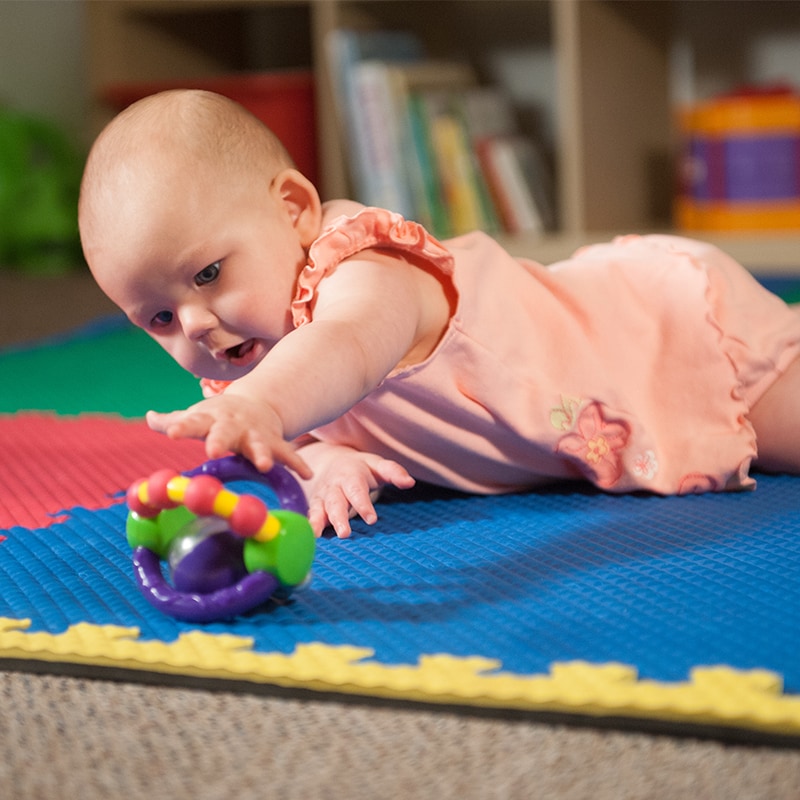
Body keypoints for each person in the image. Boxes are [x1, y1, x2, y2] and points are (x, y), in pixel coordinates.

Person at [78, 89, 800, 538]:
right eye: (158, 320)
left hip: (665, 333)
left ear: (295, 210)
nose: (196, 325)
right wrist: (322, 463)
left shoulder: (363, 269)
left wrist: (266, 406)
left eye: (207, 274)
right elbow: (308, 419)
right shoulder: (253, 363)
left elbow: (346, 348)